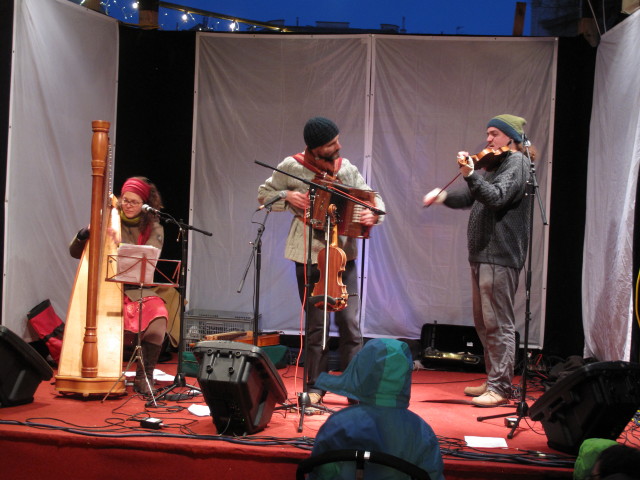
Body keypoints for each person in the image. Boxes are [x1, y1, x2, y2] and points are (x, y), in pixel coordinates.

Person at [258, 117, 385, 405]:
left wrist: (372, 214)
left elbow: (372, 199)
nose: (338, 146)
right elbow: (264, 196)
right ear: (315, 149)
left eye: (337, 139)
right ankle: (316, 387)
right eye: (331, 144)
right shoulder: (292, 167)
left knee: (350, 322)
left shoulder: (346, 168)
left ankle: (354, 387)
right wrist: (288, 195)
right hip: (308, 255)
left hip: (342, 255)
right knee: (318, 325)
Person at [423, 114, 535, 407]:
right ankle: (493, 377)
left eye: (495, 134)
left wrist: (470, 174)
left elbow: (496, 198)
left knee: (498, 322)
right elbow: (474, 197)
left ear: (510, 138)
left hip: (500, 254)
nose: (488, 139)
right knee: (485, 323)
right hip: (483, 255)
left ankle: (500, 387)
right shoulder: (497, 166)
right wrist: (444, 196)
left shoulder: (517, 163)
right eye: (487, 133)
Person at [69, 176, 168, 396]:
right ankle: (98, 369)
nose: (128, 205)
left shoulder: (155, 228)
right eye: (125, 200)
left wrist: (118, 243)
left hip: (136, 289)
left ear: (144, 204)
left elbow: (149, 257)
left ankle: (145, 376)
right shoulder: (107, 220)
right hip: (105, 287)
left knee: (159, 314)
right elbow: (75, 252)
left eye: (134, 202)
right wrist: (85, 234)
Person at [308, 338, 445, 480]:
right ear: (404, 376)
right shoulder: (420, 431)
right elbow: (432, 475)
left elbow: (319, 472)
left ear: (362, 370)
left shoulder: (336, 423)